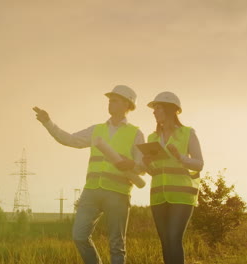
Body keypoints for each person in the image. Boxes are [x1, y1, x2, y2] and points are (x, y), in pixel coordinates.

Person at [33, 85, 145, 264]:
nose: (110, 103)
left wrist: (131, 163)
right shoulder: (97, 130)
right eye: (109, 100)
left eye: (114, 100)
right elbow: (69, 139)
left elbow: (142, 166)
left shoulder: (136, 134)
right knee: (79, 236)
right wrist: (48, 122)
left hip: (118, 193)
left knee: (117, 244)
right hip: (91, 191)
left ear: (127, 104)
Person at [143, 91, 204, 264]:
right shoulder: (152, 138)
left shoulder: (187, 133)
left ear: (170, 110)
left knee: (173, 237)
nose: (154, 112)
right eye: (153, 109)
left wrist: (181, 158)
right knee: (165, 241)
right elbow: (154, 172)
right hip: (158, 196)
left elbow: (199, 164)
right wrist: (147, 163)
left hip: (181, 195)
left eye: (157, 108)